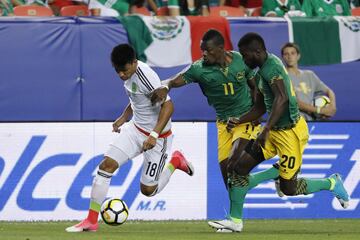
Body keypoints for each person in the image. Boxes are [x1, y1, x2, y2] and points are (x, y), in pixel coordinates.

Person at [208, 32, 350, 232]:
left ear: (257, 52)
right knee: (238, 168)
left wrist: (265, 130)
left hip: (290, 134)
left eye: (245, 54)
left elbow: (282, 99)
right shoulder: (259, 74)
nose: (244, 58)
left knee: (288, 189)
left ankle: (331, 183)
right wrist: (239, 120)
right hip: (273, 130)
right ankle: (235, 220)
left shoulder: (273, 67)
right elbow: (260, 108)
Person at [66, 44, 194, 232]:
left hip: (158, 138)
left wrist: (153, 135)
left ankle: (175, 161)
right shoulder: (129, 74)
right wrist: (124, 117)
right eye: (117, 71)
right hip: (135, 130)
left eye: (124, 71)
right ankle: (91, 221)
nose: (121, 75)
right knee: (106, 166)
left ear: (134, 63)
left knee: (148, 190)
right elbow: (137, 98)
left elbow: (168, 107)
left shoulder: (147, 77)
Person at [151, 29, 279, 203]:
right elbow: (173, 80)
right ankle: (274, 174)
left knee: (235, 164)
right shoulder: (199, 69)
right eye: (202, 49)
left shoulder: (240, 61)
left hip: (244, 119)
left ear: (221, 48)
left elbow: (254, 85)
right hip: (224, 124)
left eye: (208, 50)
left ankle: (234, 220)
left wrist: (256, 111)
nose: (204, 54)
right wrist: (166, 87)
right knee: (230, 182)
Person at [281, 42, 337, 121]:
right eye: (286, 54)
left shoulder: (309, 75)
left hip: (311, 121)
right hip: (292, 122)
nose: (289, 56)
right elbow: (294, 102)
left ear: (298, 56)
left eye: (292, 53)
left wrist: (332, 107)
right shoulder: (282, 77)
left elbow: (329, 91)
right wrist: (320, 110)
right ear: (282, 57)